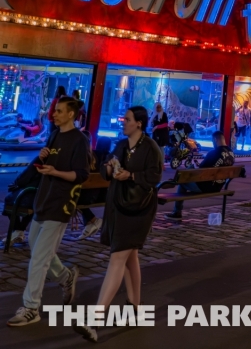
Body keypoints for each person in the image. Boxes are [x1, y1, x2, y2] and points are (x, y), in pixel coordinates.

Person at [77, 106, 163, 341]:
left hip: (139, 210)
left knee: (118, 258)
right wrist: (108, 168)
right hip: (119, 207)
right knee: (130, 256)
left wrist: (132, 176)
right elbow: (108, 166)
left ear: (139, 123)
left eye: (128, 119)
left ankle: (95, 320)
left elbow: (155, 177)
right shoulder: (122, 144)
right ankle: (135, 306)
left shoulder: (150, 147)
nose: (123, 122)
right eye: (124, 118)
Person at [7, 96, 90, 328]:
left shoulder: (79, 141)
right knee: (37, 248)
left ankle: (31, 307)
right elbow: (46, 167)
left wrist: (55, 172)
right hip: (43, 200)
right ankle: (66, 277)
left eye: (59, 111)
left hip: (60, 204)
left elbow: (80, 175)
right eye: (55, 110)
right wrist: (42, 158)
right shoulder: (54, 135)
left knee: (39, 260)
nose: (54, 114)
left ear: (71, 114)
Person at [168, 131, 234, 220]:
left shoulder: (213, 153)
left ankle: (177, 212)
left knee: (182, 182)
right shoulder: (231, 153)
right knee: (189, 170)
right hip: (218, 186)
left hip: (206, 187)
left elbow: (200, 170)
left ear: (215, 140)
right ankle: (177, 180)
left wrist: (195, 167)